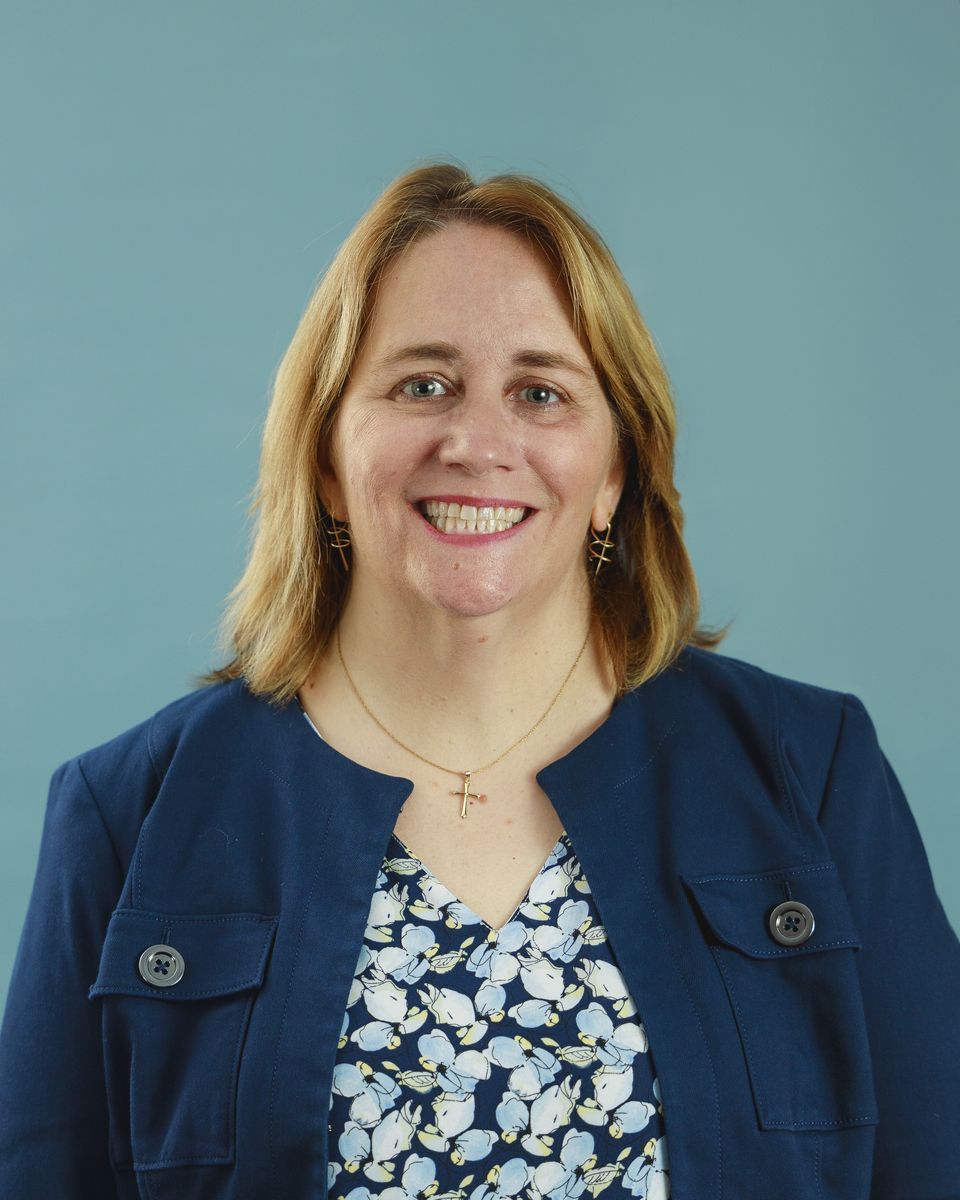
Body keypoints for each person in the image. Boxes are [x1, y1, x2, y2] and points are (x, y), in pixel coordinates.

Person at [0, 162, 957, 1200]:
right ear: (325, 453)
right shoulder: (129, 815)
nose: (477, 442)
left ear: (616, 473)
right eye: (423, 384)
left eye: (541, 392)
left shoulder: (809, 776)